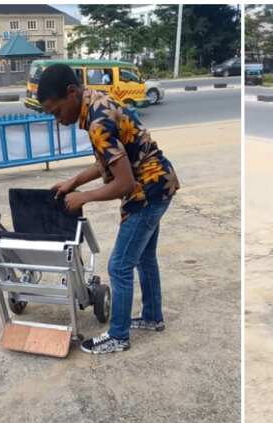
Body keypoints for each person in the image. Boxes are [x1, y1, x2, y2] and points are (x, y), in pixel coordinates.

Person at [36, 63, 180, 355]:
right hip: (160, 183)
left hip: (147, 192)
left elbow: (124, 183)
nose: (58, 120)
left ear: (72, 93)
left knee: (119, 265)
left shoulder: (97, 122)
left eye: (57, 111)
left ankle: (117, 336)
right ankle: (152, 317)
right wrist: (72, 181)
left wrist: (83, 197)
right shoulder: (98, 101)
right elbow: (109, 160)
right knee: (144, 258)